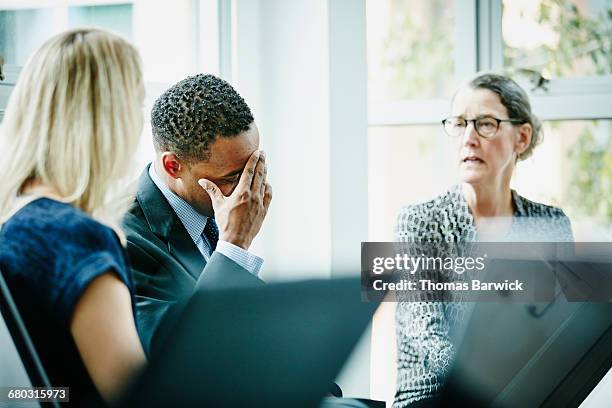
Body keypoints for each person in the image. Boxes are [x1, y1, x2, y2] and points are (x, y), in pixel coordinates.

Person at [392, 73, 573, 408]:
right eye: (459, 123)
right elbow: (426, 334)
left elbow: (561, 336)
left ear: (522, 137)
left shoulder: (551, 225)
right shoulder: (419, 221)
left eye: (485, 124)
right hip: (433, 400)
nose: (469, 137)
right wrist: (496, 389)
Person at [0, 29, 146, 406]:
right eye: (136, 104)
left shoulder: (11, 221)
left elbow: (19, 393)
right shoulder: (77, 238)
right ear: (110, 119)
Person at [122, 74, 272, 356]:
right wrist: (235, 245)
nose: (247, 189)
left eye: (254, 167)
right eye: (233, 177)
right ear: (173, 166)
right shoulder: (124, 240)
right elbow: (181, 356)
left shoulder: (210, 211)